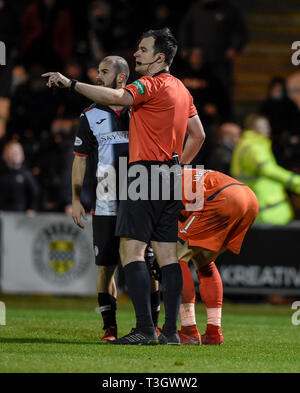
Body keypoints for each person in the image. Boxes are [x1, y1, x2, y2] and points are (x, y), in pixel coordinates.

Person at [42, 27, 206, 345]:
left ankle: (145, 330)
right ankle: (170, 332)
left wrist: (72, 83)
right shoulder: (182, 90)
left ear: (160, 57)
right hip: (170, 176)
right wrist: (177, 166)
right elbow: (198, 135)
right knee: (168, 256)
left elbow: (118, 97)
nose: (137, 55)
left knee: (129, 250)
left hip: (142, 174)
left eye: (143, 50)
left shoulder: (150, 84)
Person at [71, 56, 130, 341]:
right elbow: (80, 160)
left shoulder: (142, 110)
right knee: (106, 266)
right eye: (97, 71)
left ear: (121, 78)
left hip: (138, 198)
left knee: (150, 262)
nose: (98, 76)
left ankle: (153, 325)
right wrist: (75, 198)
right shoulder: (89, 115)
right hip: (105, 199)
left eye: (104, 72)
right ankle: (110, 327)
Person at [176, 167, 259, 345]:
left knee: (175, 257)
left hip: (224, 196)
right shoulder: (177, 173)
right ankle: (214, 332)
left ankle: (188, 330)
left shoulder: (152, 186)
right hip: (248, 197)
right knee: (203, 260)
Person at [230, 114, 300, 225]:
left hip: (261, 208)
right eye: (265, 126)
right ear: (255, 128)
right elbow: (268, 170)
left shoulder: (249, 144)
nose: (269, 129)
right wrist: (296, 182)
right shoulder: (253, 147)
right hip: (267, 211)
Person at [0, 140, 39, 214]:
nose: (13, 155)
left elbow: (34, 193)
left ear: (22, 155)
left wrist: (32, 208)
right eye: (10, 152)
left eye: (16, 153)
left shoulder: (26, 174)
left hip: (21, 214)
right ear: (4, 154)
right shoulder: (2, 173)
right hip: (3, 214)